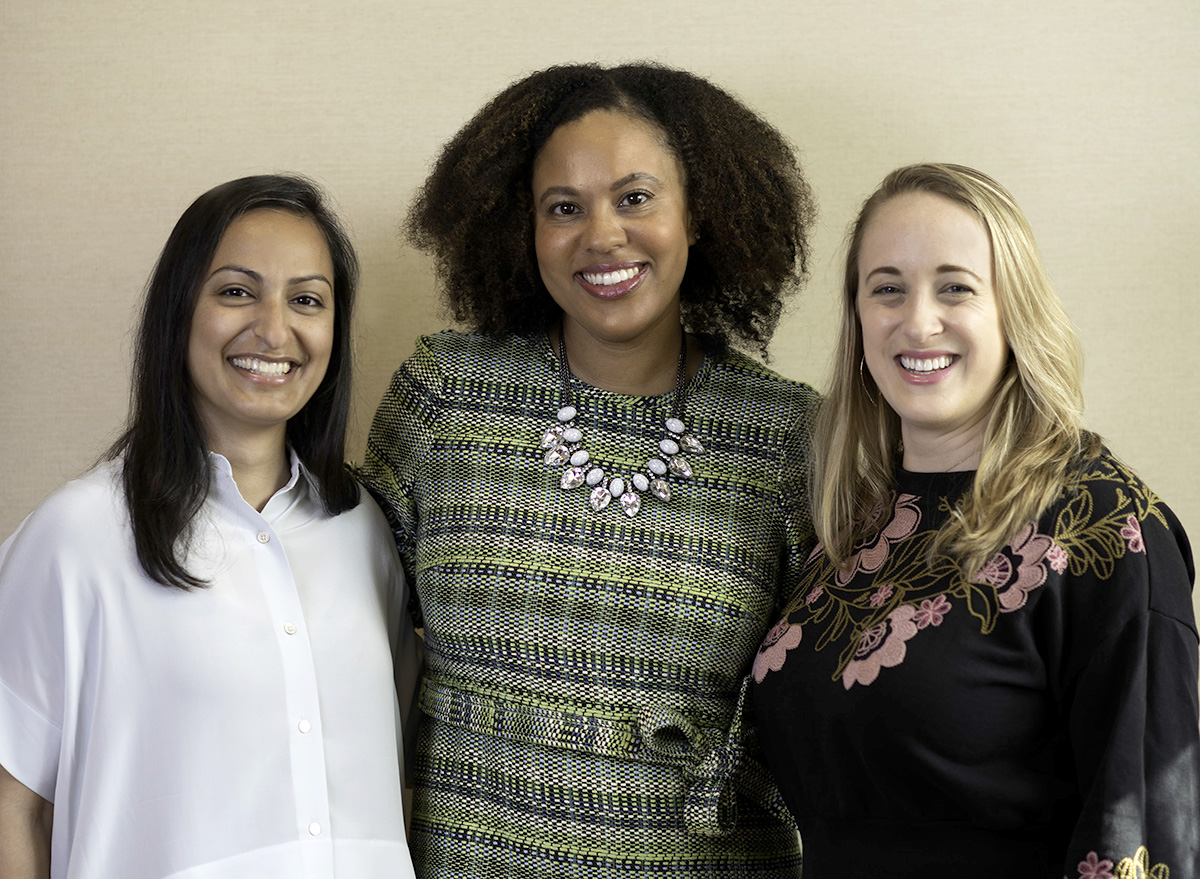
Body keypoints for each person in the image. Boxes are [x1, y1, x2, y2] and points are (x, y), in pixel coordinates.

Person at [360, 63, 818, 877]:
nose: (601, 235)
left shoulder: (789, 436)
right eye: (563, 208)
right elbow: (342, 630)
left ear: (700, 214)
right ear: (522, 229)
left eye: (635, 197)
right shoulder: (445, 396)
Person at [751, 163, 1200, 877]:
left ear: (1012, 309)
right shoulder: (852, 528)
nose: (917, 320)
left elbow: (1144, 830)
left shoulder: (1107, 530)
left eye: (955, 286)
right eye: (887, 288)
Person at [0, 175, 421, 879]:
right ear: (178, 311)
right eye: (235, 291)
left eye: (307, 300)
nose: (273, 328)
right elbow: (11, 804)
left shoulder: (363, 529)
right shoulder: (77, 535)